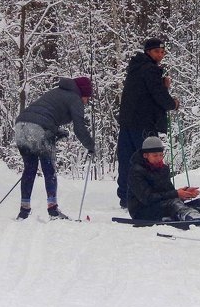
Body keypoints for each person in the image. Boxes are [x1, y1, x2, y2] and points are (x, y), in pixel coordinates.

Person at [13, 76, 96, 220]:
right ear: (83, 93)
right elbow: (79, 128)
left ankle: (24, 211)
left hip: (21, 125)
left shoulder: (56, 92)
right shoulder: (75, 98)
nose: (87, 101)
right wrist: (90, 145)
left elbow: (45, 114)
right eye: (87, 97)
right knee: (48, 168)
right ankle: (53, 210)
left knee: (30, 168)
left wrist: (56, 131)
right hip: (40, 129)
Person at [116, 37, 179, 207]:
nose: (161, 55)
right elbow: (157, 95)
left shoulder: (135, 68)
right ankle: (149, 195)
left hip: (127, 122)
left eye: (163, 52)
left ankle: (126, 196)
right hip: (143, 123)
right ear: (148, 52)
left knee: (127, 158)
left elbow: (145, 93)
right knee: (149, 160)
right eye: (157, 51)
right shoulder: (150, 70)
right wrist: (172, 103)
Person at [125, 136, 200, 222]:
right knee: (174, 204)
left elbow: (168, 192)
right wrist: (176, 194)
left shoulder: (163, 169)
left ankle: (178, 215)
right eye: (155, 155)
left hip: (161, 206)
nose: (159, 158)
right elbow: (147, 198)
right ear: (145, 155)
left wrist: (184, 193)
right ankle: (187, 215)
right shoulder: (136, 171)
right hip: (142, 212)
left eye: (161, 155)